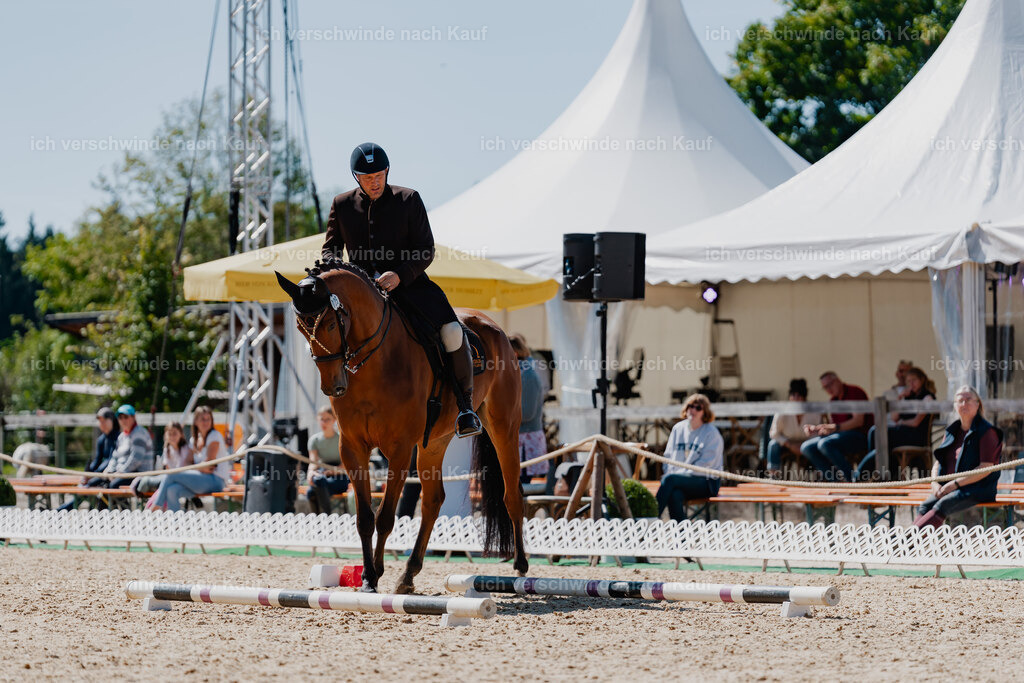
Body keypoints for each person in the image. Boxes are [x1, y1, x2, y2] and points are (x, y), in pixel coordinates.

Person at [322, 142, 481, 438]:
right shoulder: (342, 204)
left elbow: (425, 249)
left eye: (379, 175)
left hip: (410, 286)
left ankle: (465, 406)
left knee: (451, 331)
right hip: (362, 294)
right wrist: (341, 274)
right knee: (327, 330)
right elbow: (330, 248)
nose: (375, 182)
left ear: (387, 171)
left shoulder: (408, 199)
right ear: (356, 177)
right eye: (367, 178)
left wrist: (400, 274)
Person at [914, 386, 1002, 528]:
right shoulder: (951, 431)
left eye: (968, 399)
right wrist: (934, 483)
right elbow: (938, 462)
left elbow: (985, 468)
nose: (964, 404)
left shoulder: (987, 432)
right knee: (925, 505)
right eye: (960, 400)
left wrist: (955, 484)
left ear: (977, 404)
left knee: (943, 505)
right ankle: (913, 540)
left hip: (978, 489)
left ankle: (907, 540)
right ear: (955, 405)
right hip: (951, 487)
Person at [856, 366, 936, 480]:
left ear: (921, 380)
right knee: (875, 432)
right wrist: (900, 398)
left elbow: (916, 422)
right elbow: (894, 418)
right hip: (903, 433)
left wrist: (902, 422)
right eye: (908, 381)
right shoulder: (907, 397)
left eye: (914, 380)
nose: (911, 384)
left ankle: (865, 474)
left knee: (879, 435)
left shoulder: (927, 397)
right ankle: (877, 472)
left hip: (916, 436)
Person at [656, 394, 723, 522]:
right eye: (690, 406)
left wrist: (678, 474)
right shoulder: (678, 429)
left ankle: (651, 519)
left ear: (705, 412)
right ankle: (682, 533)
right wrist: (673, 472)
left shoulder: (712, 433)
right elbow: (668, 456)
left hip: (706, 481)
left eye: (698, 408)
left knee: (669, 480)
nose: (693, 410)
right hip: (679, 479)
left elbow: (706, 464)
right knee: (674, 494)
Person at [146, 406, 227, 512]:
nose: (206, 422)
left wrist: (196, 468)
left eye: (208, 419)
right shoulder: (194, 440)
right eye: (203, 419)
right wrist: (199, 468)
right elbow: (197, 466)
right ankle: (174, 520)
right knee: (172, 490)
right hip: (201, 480)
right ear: (196, 421)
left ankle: (155, 507)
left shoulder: (214, 436)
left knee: (171, 474)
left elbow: (209, 466)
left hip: (216, 481)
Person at [799, 372, 873, 482]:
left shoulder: (854, 392)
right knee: (806, 447)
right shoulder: (833, 401)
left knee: (825, 444)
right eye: (825, 387)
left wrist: (835, 427)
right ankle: (835, 481)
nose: (828, 389)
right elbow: (833, 427)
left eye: (830, 385)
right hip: (840, 437)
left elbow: (858, 421)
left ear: (838, 381)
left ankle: (852, 480)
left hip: (860, 436)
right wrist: (818, 429)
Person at [56, 407, 119, 511]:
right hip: (101, 474)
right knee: (84, 486)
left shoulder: (118, 438)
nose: (102, 424)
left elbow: (111, 460)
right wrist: (87, 473)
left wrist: (94, 474)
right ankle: (62, 510)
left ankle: (62, 510)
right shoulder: (101, 440)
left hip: (110, 474)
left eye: (104, 421)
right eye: (100, 421)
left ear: (111, 420)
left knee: (87, 487)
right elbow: (97, 460)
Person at [509, 334, 548, 484]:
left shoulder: (528, 375)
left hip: (526, 443)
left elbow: (527, 413)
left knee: (522, 486)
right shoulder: (519, 373)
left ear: (514, 354)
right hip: (520, 440)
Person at [765, 379, 821, 477]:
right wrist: (790, 445)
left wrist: (803, 445)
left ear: (804, 398)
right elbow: (774, 434)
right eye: (793, 395)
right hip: (786, 444)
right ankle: (773, 475)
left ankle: (821, 475)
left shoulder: (814, 412)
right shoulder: (782, 412)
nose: (795, 399)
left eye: (799, 396)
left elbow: (818, 433)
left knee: (819, 445)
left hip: (807, 444)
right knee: (773, 444)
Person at [94, 404, 153, 493]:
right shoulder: (122, 436)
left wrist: (119, 473)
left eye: (126, 417)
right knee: (98, 483)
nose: (123, 420)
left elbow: (136, 460)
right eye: (120, 418)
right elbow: (114, 457)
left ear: (133, 417)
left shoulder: (139, 434)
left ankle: (116, 502)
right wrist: (109, 471)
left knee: (113, 486)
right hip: (123, 473)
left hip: (139, 474)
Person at [131, 422, 193, 497]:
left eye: (174, 433)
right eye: (170, 434)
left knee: (155, 482)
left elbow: (182, 469)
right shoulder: (167, 449)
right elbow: (168, 469)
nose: (172, 437)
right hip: (171, 478)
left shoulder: (186, 449)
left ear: (181, 434)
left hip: (181, 479)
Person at [306, 406, 349, 514]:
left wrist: (327, 472)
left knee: (314, 489)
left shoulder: (342, 439)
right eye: (322, 419)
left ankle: (324, 518)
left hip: (339, 477)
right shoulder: (314, 440)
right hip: (322, 475)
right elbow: (313, 462)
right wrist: (310, 473)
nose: (324, 422)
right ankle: (324, 518)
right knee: (313, 489)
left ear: (334, 420)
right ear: (318, 420)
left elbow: (345, 467)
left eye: (327, 419)